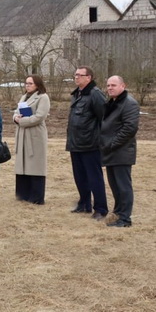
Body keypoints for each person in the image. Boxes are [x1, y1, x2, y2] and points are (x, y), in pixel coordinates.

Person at [66, 65, 108, 220]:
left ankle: (101, 209)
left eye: (79, 75)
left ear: (88, 77)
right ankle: (84, 204)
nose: (76, 77)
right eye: (75, 74)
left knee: (94, 177)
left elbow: (104, 119)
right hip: (75, 143)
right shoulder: (77, 94)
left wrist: (100, 140)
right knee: (80, 176)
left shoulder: (95, 94)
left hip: (90, 144)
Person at [101, 76, 140, 228]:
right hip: (110, 151)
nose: (110, 88)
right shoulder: (112, 102)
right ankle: (117, 213)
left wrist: (112, 144)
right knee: (114, 185)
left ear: (123, 85)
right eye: (108, 85)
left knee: (123, 186)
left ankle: (125, 219)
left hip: (121, 152)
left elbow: (130, 128)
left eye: (113, 85)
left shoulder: (129, 103)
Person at [12, 75, 50, 204]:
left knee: (35, 165)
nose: (27, 85)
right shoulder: (24, 97)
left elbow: (40, 117)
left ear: (37, 85)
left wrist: (21, 121)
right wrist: (16, 118)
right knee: (22, 164)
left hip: (35, 135)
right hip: (22, 134)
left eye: (30, 83)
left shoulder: (43, 97)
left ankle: (36, 197)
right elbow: (16, 112)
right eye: (26, 83)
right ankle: (23, 194)